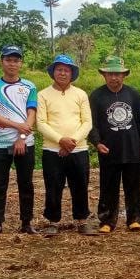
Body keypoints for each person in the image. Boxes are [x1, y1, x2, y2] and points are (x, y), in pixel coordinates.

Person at [88, 55, 140, 233]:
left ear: (124, 75)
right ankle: (107, 220)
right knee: (108, 186)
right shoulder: (96, 96)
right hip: (108, 149)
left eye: (117, 74)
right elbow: (91, 123)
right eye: (110, 74)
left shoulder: (133, 94)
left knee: (133, 185)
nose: (114, 78)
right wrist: (96, 142)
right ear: (104, 75)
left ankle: (134, 219)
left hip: (132, 147)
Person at [0, 45, 38, 236]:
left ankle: (26, 222)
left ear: (21, 63)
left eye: (16, 60)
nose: (12, 64)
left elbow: (32, 114)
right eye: (8, 60)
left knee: (26, 183)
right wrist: (17, 126)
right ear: (2, 62)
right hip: (0, 143)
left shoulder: (30, 86)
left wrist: (21, 137)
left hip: (25, 143)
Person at [36, 53, 94, 235]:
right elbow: (41, 123)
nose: (62, 73)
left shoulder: (81, 94)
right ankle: (53, 221)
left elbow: (87, 122)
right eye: (59, 69)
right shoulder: (43, 95)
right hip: (52, 149)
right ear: (53, 72)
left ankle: (82, 220)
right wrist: (60, 140)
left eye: (66, 70)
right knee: (53, 186)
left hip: (79, 149)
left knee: (80, 185)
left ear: (72, 73)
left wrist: (72, 142)